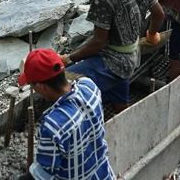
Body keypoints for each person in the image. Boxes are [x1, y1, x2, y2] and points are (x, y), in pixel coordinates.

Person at [63, 0, 163, 113]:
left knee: (65, 80)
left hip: (114, 62)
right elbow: (158, 13)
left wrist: (69, 58)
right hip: (133, 55)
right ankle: (123, 114)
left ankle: (82, 122)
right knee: (119, 88)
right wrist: (152, 34)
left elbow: (98, 42)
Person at [17, 48, 115, 180]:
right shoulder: (89, 86)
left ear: (41, 87)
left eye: (32, 86)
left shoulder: (52, 125)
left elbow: (43, 175)